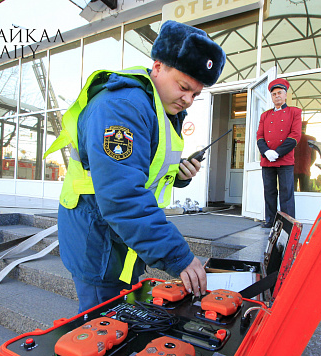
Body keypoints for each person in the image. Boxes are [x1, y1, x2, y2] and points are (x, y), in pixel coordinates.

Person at [45, 20, 227, 312]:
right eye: (184, 87)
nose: (189, 100)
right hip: (100, 242)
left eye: (196, 94)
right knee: (100, 326)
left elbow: (141, 168)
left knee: (116, 322)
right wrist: (178, 256)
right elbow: (122, 195)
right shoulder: (123, 107)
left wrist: (178, 173)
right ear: (158, 66)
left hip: (119, 238)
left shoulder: (156, 105)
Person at [256, 78, 302, 228]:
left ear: (286, 94)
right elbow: (259, 136)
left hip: (285, 159)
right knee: (269, 192)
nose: (277, 96)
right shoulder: (265, 115)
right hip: (267, 160)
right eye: (274, 94)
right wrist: (266, 152)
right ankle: (270, 220)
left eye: (280, 93)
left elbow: (295, 136)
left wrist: (277, 152)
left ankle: (288, 223)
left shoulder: (294, 112)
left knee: (286, 193)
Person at [294, 121, 317, 192]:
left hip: (293, 168)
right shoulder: (312, 139)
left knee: (292, 191)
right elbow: (314, 157)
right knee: (304, 191)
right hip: (305, 169)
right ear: (305, 128)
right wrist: (308, 165)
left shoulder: (293, 139)